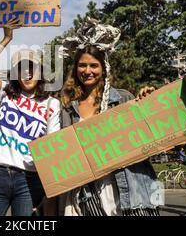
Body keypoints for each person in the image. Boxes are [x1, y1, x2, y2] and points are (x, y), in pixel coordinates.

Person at [57, 18, 160, 216]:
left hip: (128, 189)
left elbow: (149, 139)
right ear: (75, 68)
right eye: (82, 65)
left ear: (103, 68)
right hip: (87, 195)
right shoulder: (68, 110)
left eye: (94, 66)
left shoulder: (124, 99)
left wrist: (148, 103)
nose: (87, 71)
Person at [0, 18, 61, 216]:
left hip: (29, 180)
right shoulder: (5, 92)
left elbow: (52, 145)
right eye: (22, 69)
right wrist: (6, 38)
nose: (27, 74)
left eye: (33, 68)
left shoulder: (51, 104)